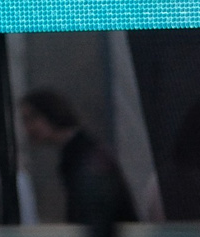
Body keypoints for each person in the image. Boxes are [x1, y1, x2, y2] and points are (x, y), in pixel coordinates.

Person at [22, 89, 139, 227]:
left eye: (33, 117)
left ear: (50, 112)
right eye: (25, 120)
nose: (28, 127)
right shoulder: (81, 149)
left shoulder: (80, 154)